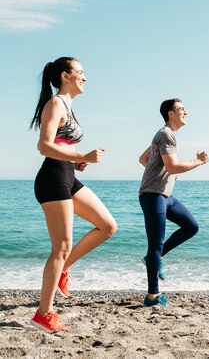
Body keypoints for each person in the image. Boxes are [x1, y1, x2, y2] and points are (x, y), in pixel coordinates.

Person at [30, 57, 117, 332]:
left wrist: (76, 161)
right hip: (52, 180)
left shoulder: (68, 106)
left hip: (67, 175)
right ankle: (44, 313)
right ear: (65, 76)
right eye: (80, 72)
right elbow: (44, 146)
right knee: (61, 245)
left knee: (107, 226)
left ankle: (63, 270)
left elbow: (59, 144)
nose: (85, 77)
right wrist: (82, 155)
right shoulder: (55, 103)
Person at [138, 98, 209, 306]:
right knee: (155, 243)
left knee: (191, 226)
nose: (185, 112)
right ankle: (152, 296)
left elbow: (143, 159)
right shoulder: (165, 134)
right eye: (181, 109)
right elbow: (173, 166)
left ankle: (157, 257)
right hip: (153, 195)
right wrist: (199, 162)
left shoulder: (165, 136)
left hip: (165, 195)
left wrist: (164, 172)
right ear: (171, 113)